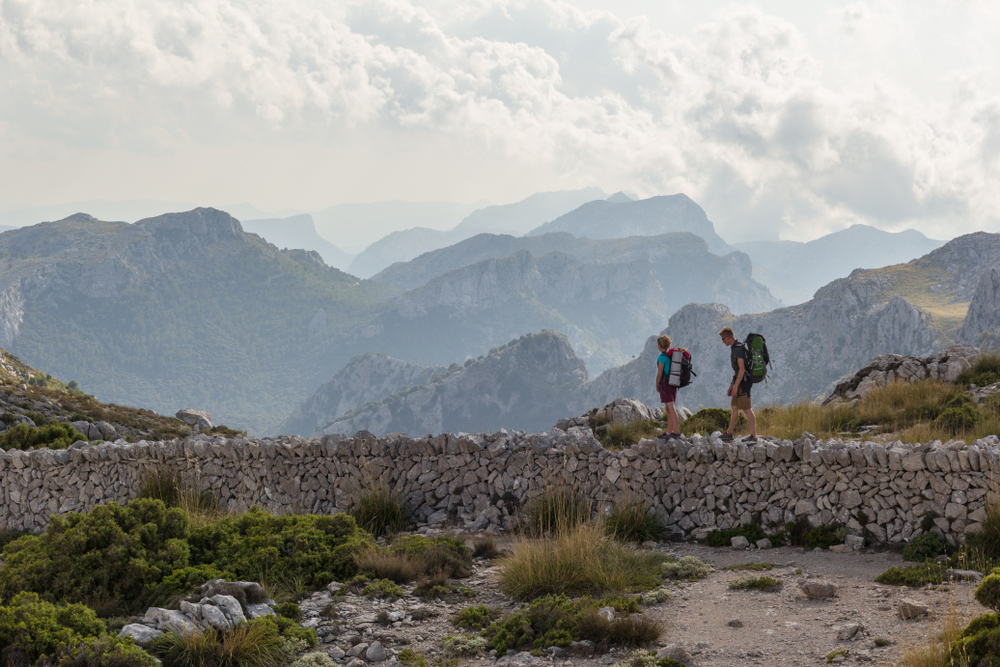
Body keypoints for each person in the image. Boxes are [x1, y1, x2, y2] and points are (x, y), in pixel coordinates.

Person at [719, 326, 757, 443]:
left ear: (727, 337)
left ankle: (754, 436)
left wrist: (736, 387)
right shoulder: (735, 348)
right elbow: (736, 371)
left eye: (722, 339)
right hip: (739, 382)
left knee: (747, 409)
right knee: (734, 407)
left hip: (744, 383)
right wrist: (731, 386)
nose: (722, 341)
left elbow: (741, 369)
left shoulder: (738, 349)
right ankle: (729, 433)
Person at [654, 334, 680, 439]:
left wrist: (657, 384)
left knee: (671, 408)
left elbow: (660, 373)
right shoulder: (670, 356)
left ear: (660, 346)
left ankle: (677, 432)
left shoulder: (661, 358)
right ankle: (669, 432)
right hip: (673, 383)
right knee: (669, 409)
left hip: (665, 385)